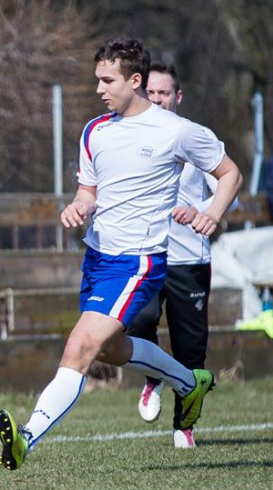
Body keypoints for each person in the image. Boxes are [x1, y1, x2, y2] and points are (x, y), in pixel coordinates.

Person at [0, 38, 243, 471]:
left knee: (80, 348)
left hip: (138, 261)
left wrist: (213, 213)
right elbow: (89, 190)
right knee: (109, 350)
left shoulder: (175, 130)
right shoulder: (95, 131)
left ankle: (26, 439)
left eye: (107, 80)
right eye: (97, 80)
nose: (99, 89)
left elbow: (229, 172)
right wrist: (79, 205)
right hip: (97, 258)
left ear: (135, 80)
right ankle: (189, 383)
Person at [128, 61, 239, 449]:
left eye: (164, 93)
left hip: (190, 260)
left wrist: (205, 212)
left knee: (191, 349)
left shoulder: (193, 137)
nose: (156, 98)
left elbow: (229, 185)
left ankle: (184, 426)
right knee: (136, 321)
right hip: (146, 255)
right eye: (151, 92)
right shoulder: (131, 135)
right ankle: (154, 376)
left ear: (178, 97)